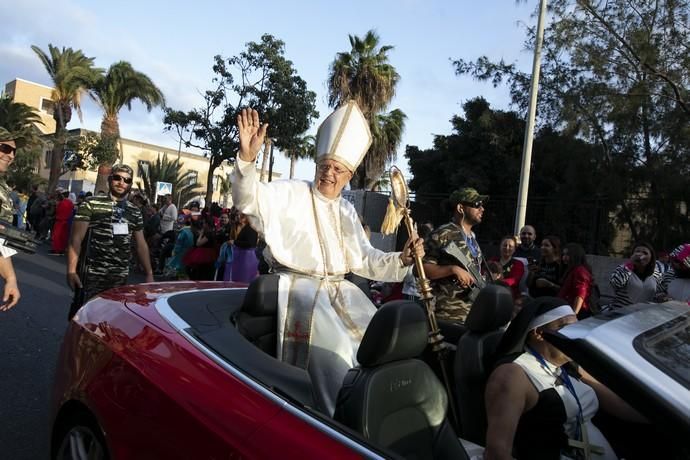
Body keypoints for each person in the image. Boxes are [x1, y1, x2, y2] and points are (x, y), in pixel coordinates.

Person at [231, 103, 423, 414]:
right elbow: (247, 199)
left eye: (338, 169)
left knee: (376, 343)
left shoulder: (347, 211)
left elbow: (365, 259)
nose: (329, 174)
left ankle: (375, 416)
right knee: (337, 351)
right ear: (317, 163)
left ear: (349, 175)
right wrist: (247, 160)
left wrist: (401, 259)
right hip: (298, 291)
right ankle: (332, 424)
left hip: (341, 293)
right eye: (325, 166)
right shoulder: (290, 192)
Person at [485, 297, 647, 460]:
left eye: (577, 327)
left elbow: (619, 404)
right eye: (567, 328)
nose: (574, 335)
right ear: (539, 333)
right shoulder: (513, 374)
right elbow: (496, 454)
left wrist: (664, 417)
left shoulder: (569, 365)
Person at [66, 164, 154, 319]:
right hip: (92, 274)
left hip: (119, 277)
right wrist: (71, 270)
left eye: (126, 180)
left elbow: (141, 244)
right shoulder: (91, 204)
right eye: (117, 178)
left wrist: (149, 273)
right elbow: (76, 239)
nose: (121, 183)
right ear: (109, 179)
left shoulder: (134, 211)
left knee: (109, 321)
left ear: (130, 184)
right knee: (85, 318)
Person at [423, 187, 490, 325]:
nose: (482, 209)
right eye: (476, 205)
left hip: (471, 315)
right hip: (447, 314)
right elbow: (421, 268)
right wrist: (452, 269)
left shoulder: (472, 238)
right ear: (460, 208)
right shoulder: (443, 233)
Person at [0, 128, 23, 310]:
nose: (11, 155)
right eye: (5, 148)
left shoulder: (4, 188)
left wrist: (11, 278)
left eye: (14, 151)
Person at [609, 242, 662, 308]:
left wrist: (660, 297)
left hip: (642, 315)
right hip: (621, 313)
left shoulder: (656, 274)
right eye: (637, 252)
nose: (640, 255)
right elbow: (615, 283)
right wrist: (630, 264)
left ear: (651, 258)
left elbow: (658, 293)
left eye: (645, 253)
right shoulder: (623, 268)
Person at [558, 243, 594, 318]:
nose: (564, 258)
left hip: (576, 313)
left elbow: (580, 295)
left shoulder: (579, 271)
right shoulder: (572, 269)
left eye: (567, 255)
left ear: (575, 256)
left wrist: (573, 315)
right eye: (563, 255)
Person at [491, 235, 526, 301]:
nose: (507, 248)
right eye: (504, 245)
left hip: (508, 296)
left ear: (515, 249)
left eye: (510, 246)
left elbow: (514, 280)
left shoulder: (518, 264)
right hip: (491, 292)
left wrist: (496, 281)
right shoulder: (493, 261)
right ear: (500, 246)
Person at [50, 189, 74, 255]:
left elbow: (58, 211)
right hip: (67, 221)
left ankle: (56, 249)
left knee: (57, 235)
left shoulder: (61, 202)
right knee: (63, 236)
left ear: (62, 195)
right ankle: (62, 249)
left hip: (59, 221)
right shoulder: (71, 203)